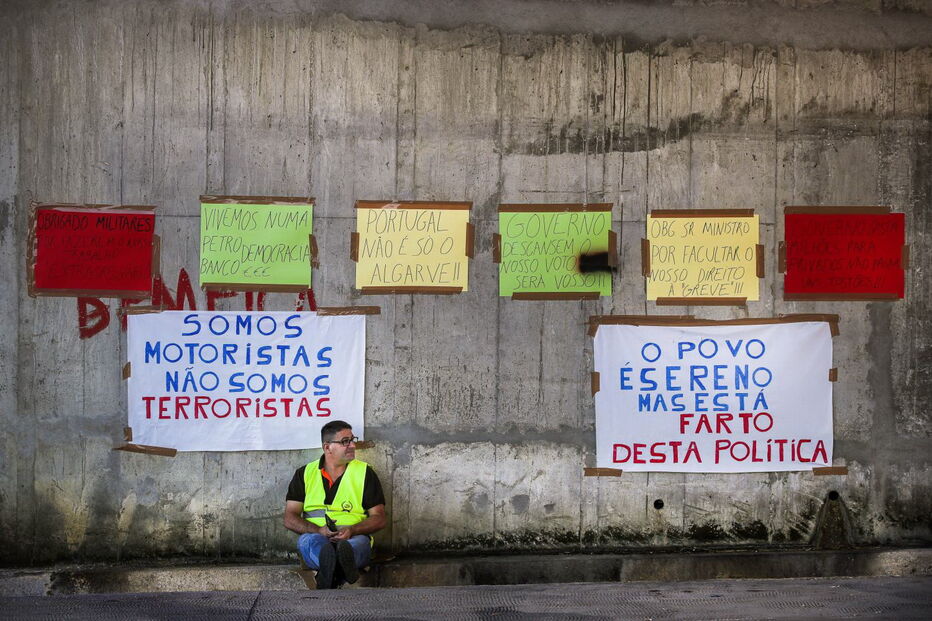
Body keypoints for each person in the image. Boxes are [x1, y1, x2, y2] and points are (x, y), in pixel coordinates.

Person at [283, 420, 387, 589]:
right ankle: (338, 567)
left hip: (354, 538)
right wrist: (318, 530)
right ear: (327, 447)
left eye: (353, 439)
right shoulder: (304, 473)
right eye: (345, 441)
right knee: (308, 542)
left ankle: (330, 571)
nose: (352, 445)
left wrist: (352, 530)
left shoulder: (365, 473)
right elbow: (289, 517)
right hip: (316, 537)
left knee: (355, 545)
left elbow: (380, 518)